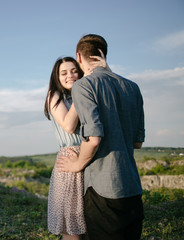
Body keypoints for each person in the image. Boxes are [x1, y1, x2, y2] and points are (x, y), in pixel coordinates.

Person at [56, 34, 145, 240]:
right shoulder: (133, 87)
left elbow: (93, 138)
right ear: (103, 54)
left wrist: (77, 164)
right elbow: (137, 142)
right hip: (132, 188)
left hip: (103, 190)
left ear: (79, 56)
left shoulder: (84, 85)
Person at [44, 55, 107, 240]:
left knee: (89, 224)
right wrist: (82, 91)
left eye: (74, 71)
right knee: (73, 227)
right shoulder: (54, 95)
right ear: (57, 77)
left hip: (90, 159)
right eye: (64, 73)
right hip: (70, 162)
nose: (70, 75)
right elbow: (69, 126)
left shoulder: (84, 94)